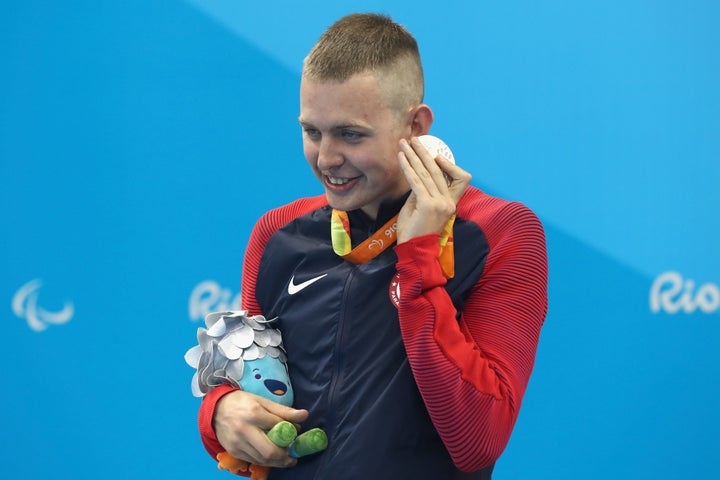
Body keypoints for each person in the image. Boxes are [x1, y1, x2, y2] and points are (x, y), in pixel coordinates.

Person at [197, 12, 548, 479]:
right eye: (312, 131)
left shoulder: (500, 231)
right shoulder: (278, 231)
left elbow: (478, 438)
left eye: (351, 134)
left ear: (416, 126)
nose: (326, 159)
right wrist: (218, 412)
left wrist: (420, 257)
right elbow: (253, 374)